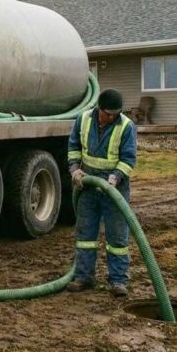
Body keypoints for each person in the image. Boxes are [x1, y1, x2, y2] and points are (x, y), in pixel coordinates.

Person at [66, 88, 137, 297]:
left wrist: (116, 176)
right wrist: (74, 169)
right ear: (99, 109)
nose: (112, 117)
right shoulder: (83, 120)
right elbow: (73, 147)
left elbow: (129, 158)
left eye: (115, 113)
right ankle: (83, 277)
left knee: (117, 237)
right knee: (85, 235)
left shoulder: (126, 126)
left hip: (114, 188)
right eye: (108, 113)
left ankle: (118, 281)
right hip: (87, 186)